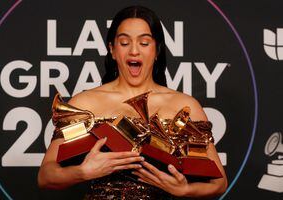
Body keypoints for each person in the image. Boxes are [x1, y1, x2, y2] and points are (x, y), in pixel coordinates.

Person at [38, 5, 228, 199]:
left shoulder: (185, 106)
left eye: (144, 43)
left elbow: (219, 183)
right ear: (112, 49)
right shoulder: (86, 104)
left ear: (157, 51)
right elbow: (46, 175)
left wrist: (185, 190)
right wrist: (82, 172)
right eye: (124, 42)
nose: (134, 51)